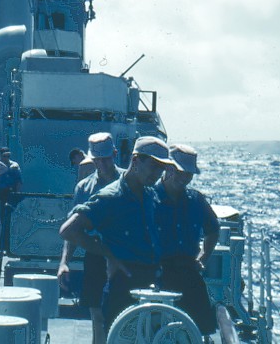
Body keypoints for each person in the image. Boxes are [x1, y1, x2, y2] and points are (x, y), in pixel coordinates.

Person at [59, 136, 174, 332]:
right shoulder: (111, 196)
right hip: (123, 285)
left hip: (150, 283)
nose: (158, 174)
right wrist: (109, 254)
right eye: (154, 167)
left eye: (162, 169)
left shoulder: (149, 194)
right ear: (136, 161)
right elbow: (69, 230)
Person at [57, 132, 124, 344]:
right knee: (97, 315)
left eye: (106, 159)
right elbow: (73, 231)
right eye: (97, 160)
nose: (102, 165)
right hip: (95, 256)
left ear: (115, 154)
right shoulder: (83, 188)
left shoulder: (129, 183)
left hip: (126, 256)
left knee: (124, 314)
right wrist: (64, 263)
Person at [155, 144, 220, 340]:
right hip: (156, 276)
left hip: (188, 274)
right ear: (168, 168)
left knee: (197, 332)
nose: (185, 178)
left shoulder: (196, 200)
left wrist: (204, 257)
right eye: (181, 172)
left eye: (189, 174)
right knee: (156, 332)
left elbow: (213, 230)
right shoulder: (148, 197)